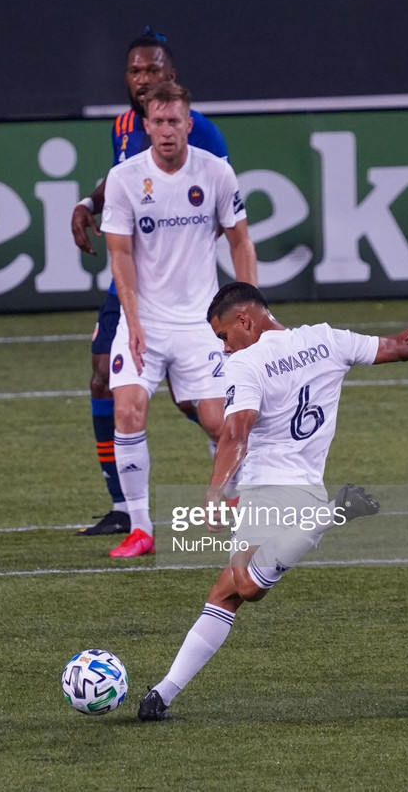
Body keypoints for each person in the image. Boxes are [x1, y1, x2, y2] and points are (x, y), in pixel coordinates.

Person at [136, 282, 408, 720]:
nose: (223, 348)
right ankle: (162, 695)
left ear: (244, 320)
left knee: (245, 586)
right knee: (226, 594)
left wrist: (215, 492)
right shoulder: (326, 339)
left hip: (266, 488)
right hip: (304, 487)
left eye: (223, 336)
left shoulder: (246, 362)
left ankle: (327, 516)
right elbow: (404, 346)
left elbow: (236, 432)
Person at [72, 28, 234, 538]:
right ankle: (125, 508)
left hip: (183, 290)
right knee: (106, 378)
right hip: (134, 279)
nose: (143, 79)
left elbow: (222, 204)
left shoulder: (201, 133)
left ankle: (234, 450)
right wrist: (89, 203)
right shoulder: (125, 125)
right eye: (135, 71)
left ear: (172, 78)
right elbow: (124, 174)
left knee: (195, 404)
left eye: (153, 71)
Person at [99, 81, 258, 558]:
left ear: (189, 124)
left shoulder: (216, 173)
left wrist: (249, 310)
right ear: (145, 126)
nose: (167, 131)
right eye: (158, 122)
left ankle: (240, 503)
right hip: (143, 319)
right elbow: (120, 255)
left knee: (217, 422)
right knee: (127, 411)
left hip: (199, 322)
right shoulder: (126, 178)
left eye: (175, 122)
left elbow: (240, 242)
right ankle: (141, 529)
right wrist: (132, 321)